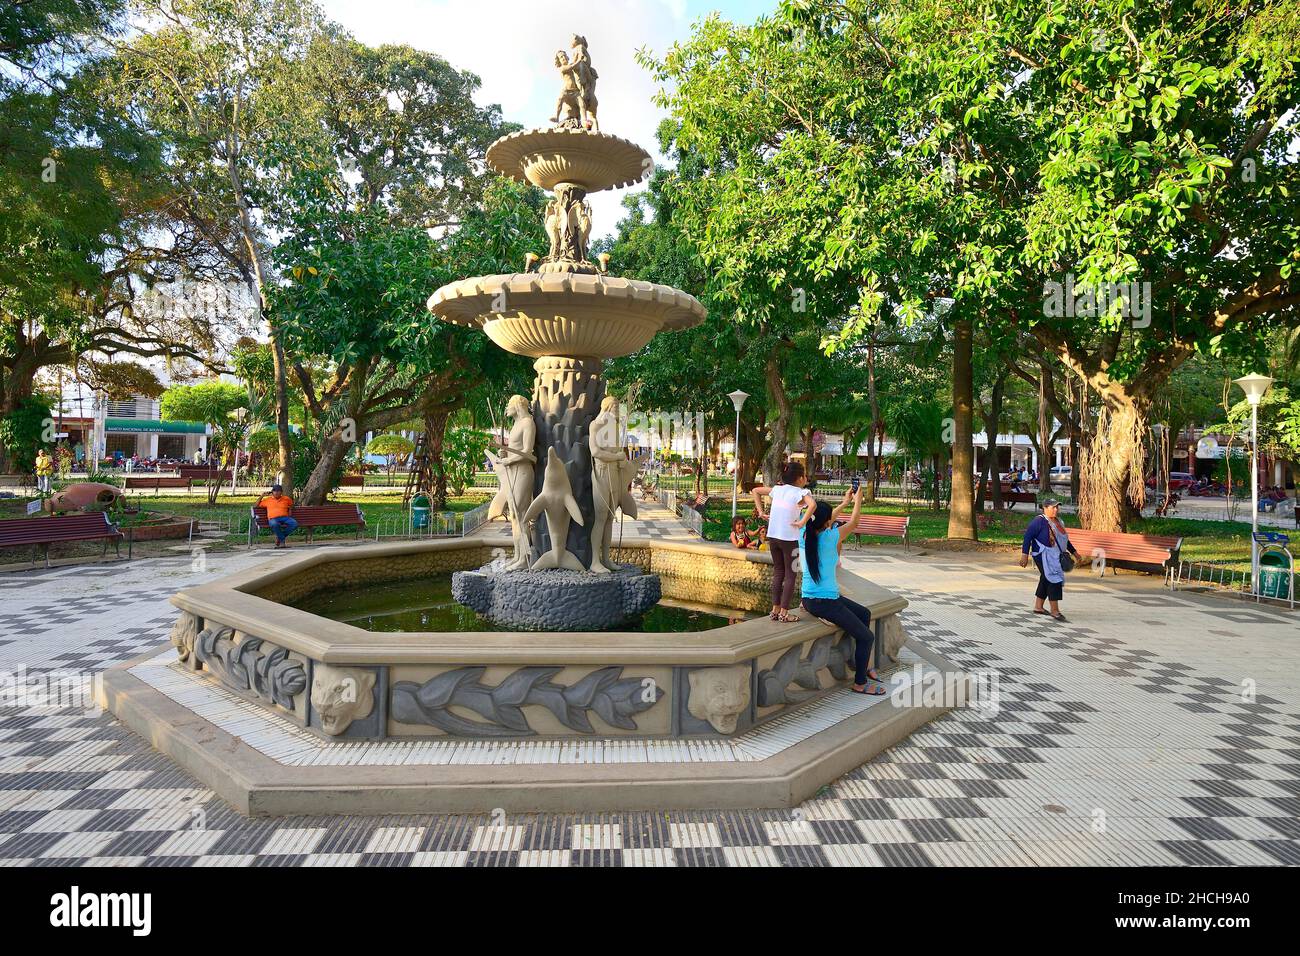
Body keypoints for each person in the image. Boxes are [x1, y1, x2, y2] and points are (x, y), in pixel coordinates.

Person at [796, 486, 886, 695]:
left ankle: (859, 661)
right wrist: (858, 500)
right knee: (867, 637)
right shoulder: (829, 538)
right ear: (827, 523)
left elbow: (822, 519)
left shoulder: (805, 533)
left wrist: (844, 503)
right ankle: (860, 683)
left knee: (865, 614)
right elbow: (854, 522)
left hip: (815, 598)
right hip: (824, 602)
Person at [752, 462, 816, 622]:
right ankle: (784, 613)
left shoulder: (777, 489)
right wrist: (802, 523)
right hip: (790, 540)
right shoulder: (800, 492)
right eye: (805, 476)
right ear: (800, 478)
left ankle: (775, 610)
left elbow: (755, 491)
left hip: (773, 537)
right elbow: (813, 504)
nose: (806, 479)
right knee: (791, 575)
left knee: (778, 572)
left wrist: (760, 512)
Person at [1020, 497, 1081, 621]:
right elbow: (1028, 537)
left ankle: (1038, 607)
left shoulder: (1060, 522)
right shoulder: (1039, 521)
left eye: (1057, 507)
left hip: (1056, 555)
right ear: (1045, 508)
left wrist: (1074, 552)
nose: (1056, 509)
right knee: (1054, 579)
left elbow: (1064, 540)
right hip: (1043, 555)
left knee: (1046, 578)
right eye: (1053, 507)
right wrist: (1024, 555)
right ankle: (1055, 611)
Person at [257, 484, 297, 548]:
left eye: (278, 491)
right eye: (275, 491)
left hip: (285, 518)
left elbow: (292, 506)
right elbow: (256, 505)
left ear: (281, 492)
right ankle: (281, 540)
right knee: (274, 524)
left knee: (294, 523)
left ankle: (280, 537)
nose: (276, 492)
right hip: (273, 519)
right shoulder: (268, 500)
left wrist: (290, 509)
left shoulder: (286, 499)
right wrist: (262, 496)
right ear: (272, 492)